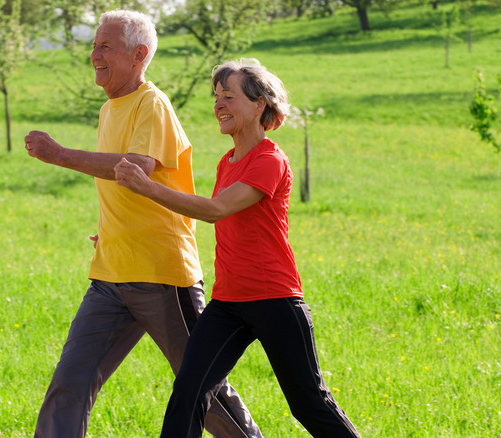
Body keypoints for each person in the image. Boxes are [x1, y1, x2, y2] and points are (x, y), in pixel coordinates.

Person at [24, 10, 262, 438]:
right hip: (110, 275)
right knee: (70, 384)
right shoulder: (108, 109)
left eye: (105, 46)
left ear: (139, 54)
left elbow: (135, 167)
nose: (94, 54)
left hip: (161, 276)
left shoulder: (153, 104)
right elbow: (123, 187)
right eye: (94, 44)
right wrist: (114, 229)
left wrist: (58, 154)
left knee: (204, 391)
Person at [114, 58, 362, 438]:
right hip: (228, 303)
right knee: (189, 392)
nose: (219, 105)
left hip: (275, 299)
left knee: (308, 404)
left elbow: (216, 210)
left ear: (259, 104)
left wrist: (147, 187)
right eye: (216, 97)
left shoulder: (269, 160)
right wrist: (125, 234)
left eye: (228, 96)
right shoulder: (227, 162)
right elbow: (201, 214)